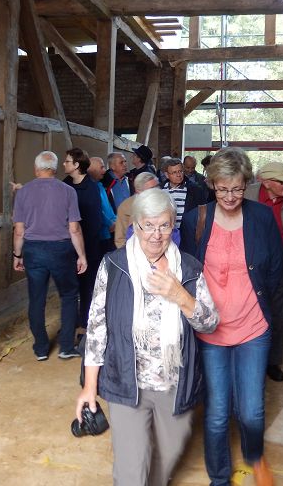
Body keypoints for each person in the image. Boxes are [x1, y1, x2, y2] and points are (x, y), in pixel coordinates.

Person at [77, 188, 219, 486]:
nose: (157, 234)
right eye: (149, 225)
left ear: (173, 226)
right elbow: (97, 329)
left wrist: (180, 295)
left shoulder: (189, 268)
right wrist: (89, 387)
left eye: (164, 225)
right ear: (136, 225)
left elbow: (209, 324)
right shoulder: (114, 266)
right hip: (127, 382)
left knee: (165, 461)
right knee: (131, 469)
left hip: (175, 384)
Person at [180, 147, 283, 486]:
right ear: (212, 184)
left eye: (237, 189)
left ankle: (255, 458)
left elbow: (276, 273)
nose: (229, 196)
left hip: (253, 327)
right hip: (211, 332)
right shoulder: (196, 219)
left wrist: (272, 325)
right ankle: (219, 478)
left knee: (251, 410)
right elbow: (187, 275)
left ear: (247, 184)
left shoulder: (262, 218)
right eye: (222, 189)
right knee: (217, 413)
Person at [13, 151, 87, 361]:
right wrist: (81, 255)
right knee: (69, 296)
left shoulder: (23, 192)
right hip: (61, 250)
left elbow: (19, 230)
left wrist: (17, 255)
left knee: (36, 299)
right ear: (54, 169)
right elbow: (74, 229)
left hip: (33, 250)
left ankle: (41, 348)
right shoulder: (68, 191)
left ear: (36, 169)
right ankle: (66, 347)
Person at [245, 161, 283, 382]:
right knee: (251, 313)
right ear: (266, 183)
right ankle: (251, 360)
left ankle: (272, 362)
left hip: (281, 264)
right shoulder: (248, 195)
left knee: (277, 315)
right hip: (253, 265)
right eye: (282, 181)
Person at [62, 148, 102, 331]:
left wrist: (83, 249)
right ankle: (70, 322)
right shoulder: (65, 184)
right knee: (69, 287)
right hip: (67, 244)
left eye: (67, 161)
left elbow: (95, 221)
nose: (64, 164)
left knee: (86, 287)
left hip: (87, 246)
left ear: (77, 165)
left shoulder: (91, 187)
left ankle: (85, 324)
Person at [115, 171, 160, 248]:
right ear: (138, 191)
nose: (157, 191)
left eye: (158, 186)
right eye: (152, 188)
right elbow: (120, 239)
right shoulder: (125, 207)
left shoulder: (165, 203)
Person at [161, 157, 208, 229]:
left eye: (180, 171)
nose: (178, 175)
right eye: (174, 172)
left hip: (188, 232)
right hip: (166, 231)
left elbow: (203, 214)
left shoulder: (195, 190)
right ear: (167, 175)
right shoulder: (160, 190)